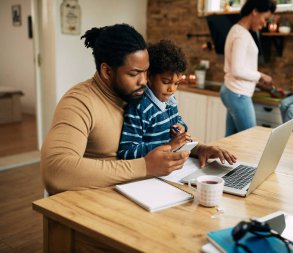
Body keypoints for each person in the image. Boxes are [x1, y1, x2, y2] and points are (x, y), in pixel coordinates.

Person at [41, 24, 236, 195]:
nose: (144, 81)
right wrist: (145, 166)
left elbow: (161, 138)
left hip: (143, 192)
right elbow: (56, 171)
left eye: (146, 72)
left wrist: (198, 149)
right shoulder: (80, 102)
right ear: (107, 71)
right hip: (95, 203)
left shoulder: (141, 95)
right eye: (134, 73)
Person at [118, 40, 191, 159]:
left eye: (176, 83)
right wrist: (169, 146)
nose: (171, 89)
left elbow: (177, 119)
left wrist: (182, 127)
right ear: (149, 77)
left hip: (168, 165)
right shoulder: (139, 106)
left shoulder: (170, 101)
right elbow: (127, 152)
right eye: (166, 82)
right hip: (148, 172)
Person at [220, 0, 277, 137]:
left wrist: (258, 84)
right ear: (255, 11)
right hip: (238, 93)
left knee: (231, 140)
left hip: (233, 90)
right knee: (250, 138)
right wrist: (261, 76)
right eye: (265, 18)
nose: (265, 23)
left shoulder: (238, 30)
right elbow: (237, 70)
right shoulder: (241, 35)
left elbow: (241, 67)